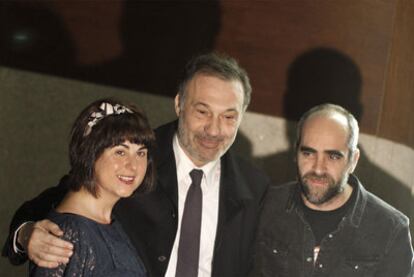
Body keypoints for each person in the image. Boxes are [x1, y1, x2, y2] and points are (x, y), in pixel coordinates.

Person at [2, 53, 270, 277]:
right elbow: (51, 204)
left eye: (228, 117)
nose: (214, 129)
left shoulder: (256, 188)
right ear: (179, 104)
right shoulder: (136, 158)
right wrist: (26, 235)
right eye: (202, 112)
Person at [250, 103, 413, 277]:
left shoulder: (390, 229)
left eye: (333, 156)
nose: (318, 169)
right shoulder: (265, 206)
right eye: (308, 153)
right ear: (295, 153)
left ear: (353, 160)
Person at [29, 98, 156, 276]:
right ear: (90, 152)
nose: (133, 166)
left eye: (141, 153)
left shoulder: (111, 222)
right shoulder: (69, 233)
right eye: (120, 152)